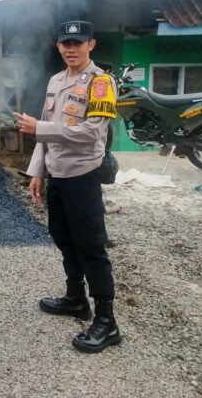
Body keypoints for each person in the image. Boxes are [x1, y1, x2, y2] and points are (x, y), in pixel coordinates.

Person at [14, 20, 120, 353]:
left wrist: (40, 127)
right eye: (65, 43)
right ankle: (76, 299)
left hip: (83, 175)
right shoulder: (56, 80)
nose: (71, 48)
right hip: (57, 175)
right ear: (58, 46)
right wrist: (37, 173)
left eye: (78, 42)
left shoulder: (102, 83)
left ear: (91, 44)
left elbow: (91, 133)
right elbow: (46, 138)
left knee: (91, 246)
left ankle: (107, 321)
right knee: (63, 238)